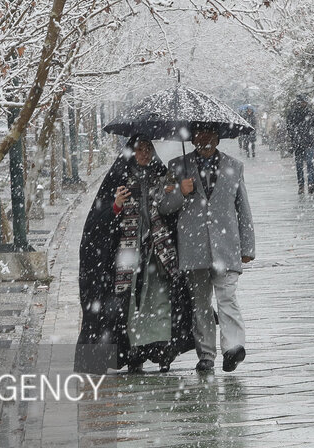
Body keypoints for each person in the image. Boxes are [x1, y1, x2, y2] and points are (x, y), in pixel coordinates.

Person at [75, 136, 194, 374]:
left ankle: (160, 350)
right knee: (127, 306)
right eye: (139, 149)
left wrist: (175, 193)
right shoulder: (118, 178)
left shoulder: (161, 176)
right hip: (126, 257)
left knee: (158, 302)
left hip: (157, 255)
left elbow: (168, 211)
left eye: (148, 148)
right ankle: (132, 353)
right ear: (131, 152)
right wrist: (116, 205)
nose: (144, 153)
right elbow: (99, 220)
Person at [161, 125, 255, 373]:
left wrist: (248, 246)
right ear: (192, 139)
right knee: (201, 304)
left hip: (226, 246)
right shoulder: (176, 167)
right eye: (200, 135)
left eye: (210, 134)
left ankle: (233, 347)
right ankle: (206, 355)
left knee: (227, 298)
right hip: (194, 246)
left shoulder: (234, 166)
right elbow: (163, 206)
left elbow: (243, 209)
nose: (205, 139)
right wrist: (181, 191)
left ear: (218, 137)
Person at [284, 94, 314, 194]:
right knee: (299, 165)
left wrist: (312, 137)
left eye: (304, 102)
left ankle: (311, 183)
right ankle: (301, 184)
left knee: (309, 164)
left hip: (308, 142)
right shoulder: (293, 113)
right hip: (298, 143)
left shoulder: (310, 113)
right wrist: (294, 136)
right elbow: (289, 127)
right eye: (302, 102)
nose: (303, 104)